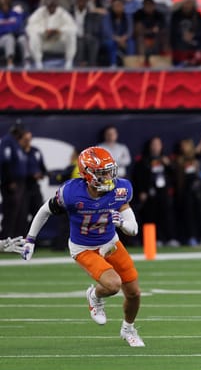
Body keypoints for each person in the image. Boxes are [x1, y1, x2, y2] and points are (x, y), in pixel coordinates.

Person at [21, 146, 145, 347]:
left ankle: (128, 329)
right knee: (113, 284)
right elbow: (45, 210)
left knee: (134, 293)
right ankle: (94, 295)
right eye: (102, 172)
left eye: (109, 171)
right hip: (84, 247)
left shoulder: (120, 189)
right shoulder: (71, 192)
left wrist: (121, 223)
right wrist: (31, 239)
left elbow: (133, 229)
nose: (108, 177)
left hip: (110, 242)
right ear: (87, 174)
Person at [132, 136, 178, 247]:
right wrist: (142, 190)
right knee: (151, 216)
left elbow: (174, 175)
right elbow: (138, 177)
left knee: (166, 215)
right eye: (154, 144)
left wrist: (168, 165)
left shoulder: (165, 159)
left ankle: (170, 238)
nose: (156, 147)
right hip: (150, 192)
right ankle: (154, 239)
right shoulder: (143, 160)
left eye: (158, 144)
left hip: (164, 191)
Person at [25, 0, 77, 69]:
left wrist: (59, 30)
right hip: (44, 42)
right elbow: (29, 27)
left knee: (71, 35)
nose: (51, 8)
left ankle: (69, 62)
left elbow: (73, 27)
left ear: (56, 6)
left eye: (53, 6)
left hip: (58, 42)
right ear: (46, 6)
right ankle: (38, 62)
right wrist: (44, 31)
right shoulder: (40, 12)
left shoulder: (62, 13)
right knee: (33, 36)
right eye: (49, 6)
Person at [0, 122, 27, 239]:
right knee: (10, 212)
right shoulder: (8, 141)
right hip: (11, 183)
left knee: (16, 213)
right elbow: (5, 161)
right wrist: (10, 180)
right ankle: (5, 239)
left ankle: (12, 239)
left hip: (18, 182)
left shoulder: (15, 143)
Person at [102, 0, 134, 67]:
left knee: (131, 43)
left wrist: (124, 37)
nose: (118, 8)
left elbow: (130, 30)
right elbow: (107, 31)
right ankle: (113, 64)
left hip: (124, 38)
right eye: (116, 6)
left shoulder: (128, 16)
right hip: (111, 38)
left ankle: (130, 64)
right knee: (111, 43)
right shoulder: (108, 16)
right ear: (112, 7)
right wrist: (117, 39)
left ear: (123, 6)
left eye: (120, 5)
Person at [0, 0, 28, 68]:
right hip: (2, 38)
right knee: (9, 38)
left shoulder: (16, 14)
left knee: (23, 39)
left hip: (16, 36)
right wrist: (9, 30)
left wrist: (6, 29)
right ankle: (10, 63)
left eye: (6, 3)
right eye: (2, 4)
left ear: (9, 4)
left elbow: (19, 26)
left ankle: (26, 61)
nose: (4, 5)